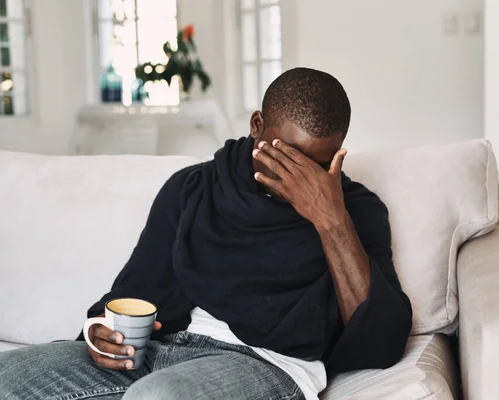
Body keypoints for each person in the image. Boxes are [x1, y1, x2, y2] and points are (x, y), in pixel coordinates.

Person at [0, 67, 412, 400]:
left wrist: (330, 219)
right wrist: (99, 333)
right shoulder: (194, 187)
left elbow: (381, 339)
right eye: (283, 158)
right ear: (257, 125)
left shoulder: (356, 210)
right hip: (160, 347)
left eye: (315, 167)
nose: (296, 180)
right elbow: (132, 294)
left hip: (263, 364)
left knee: (155, 397)